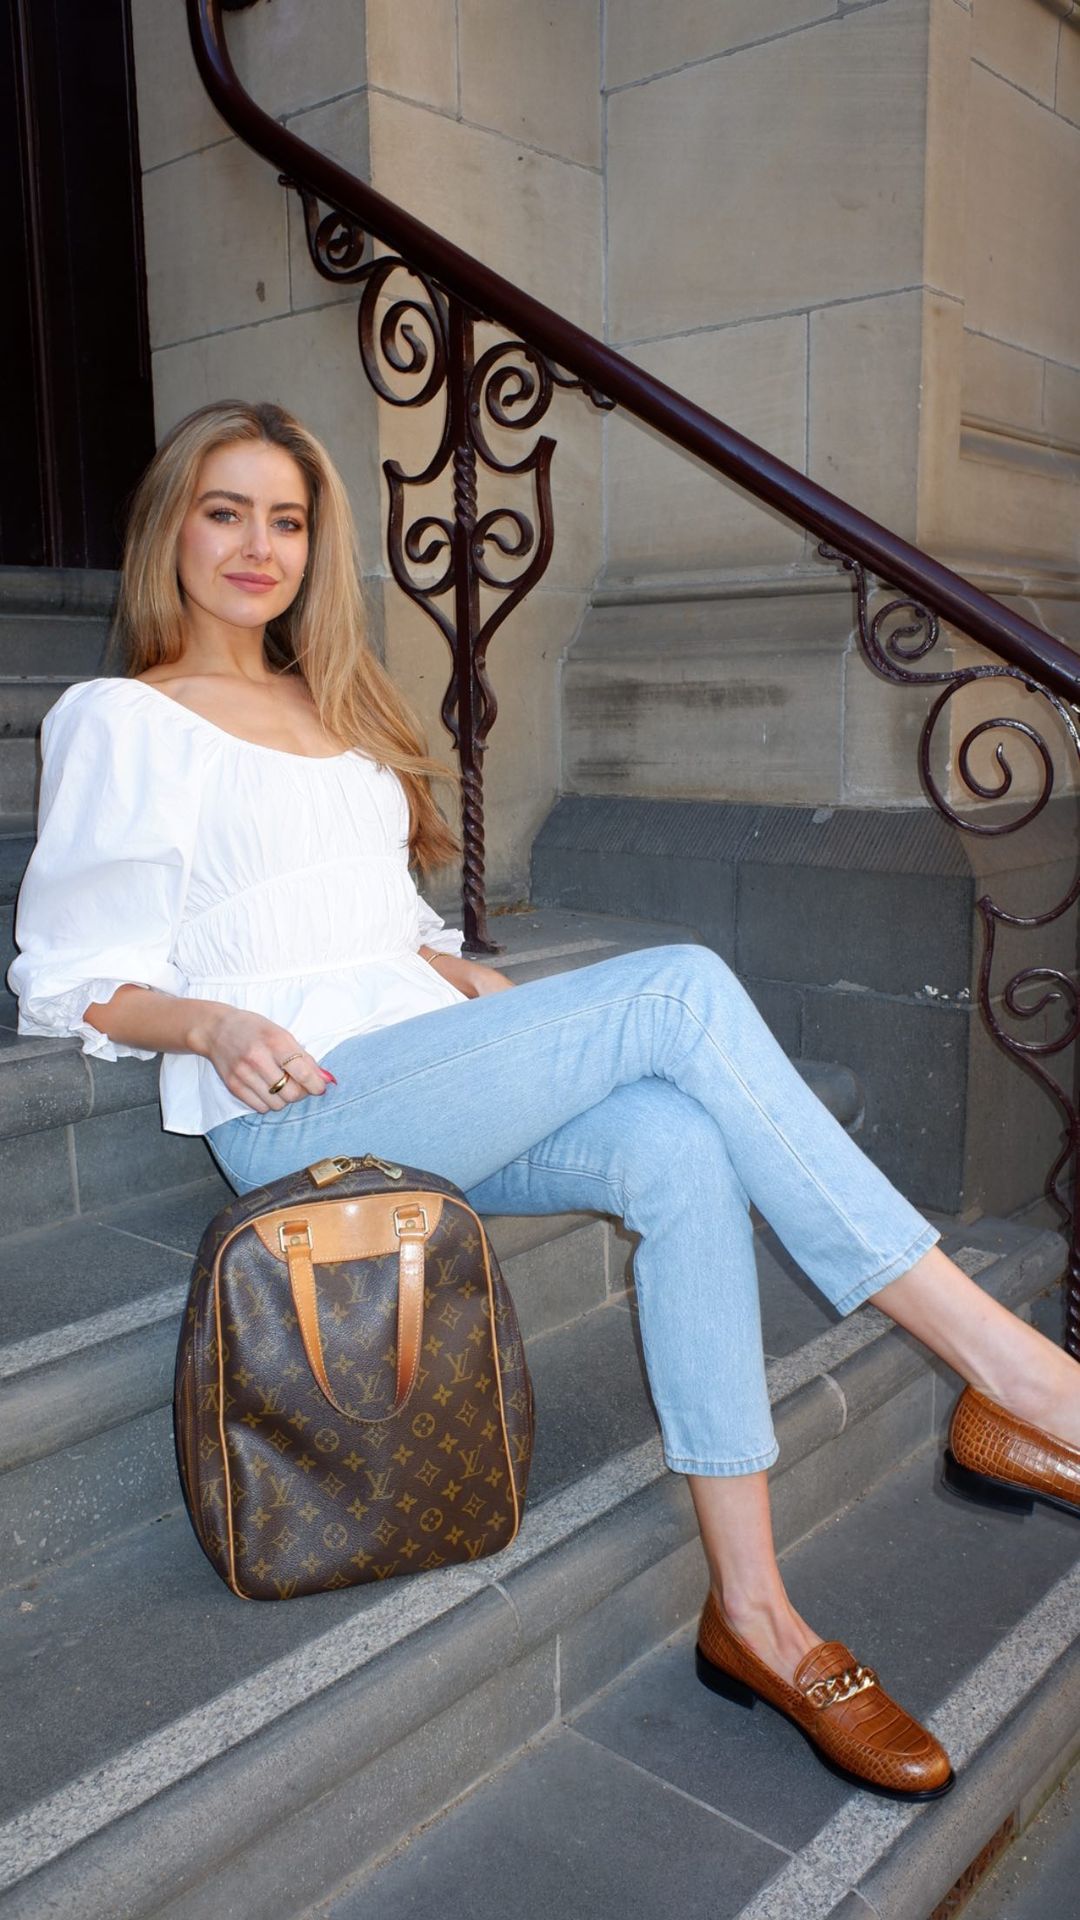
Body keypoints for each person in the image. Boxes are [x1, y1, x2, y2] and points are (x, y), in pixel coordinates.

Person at [9, 400, 1079, 1804]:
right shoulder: (123, 719)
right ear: (172, 528)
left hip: (419, 1066)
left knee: (680, 1145)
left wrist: (455, 970)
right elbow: (67, 977)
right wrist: (207, 1020)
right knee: (678, 988)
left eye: (288, 519)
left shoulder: (336, 706)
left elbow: (373, 917)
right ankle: (1018, 1378)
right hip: (297, 1113)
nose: (259, 546)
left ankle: (756, 1614)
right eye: (227, 511)